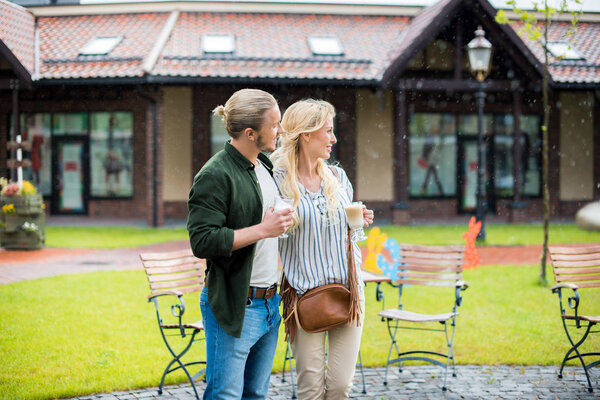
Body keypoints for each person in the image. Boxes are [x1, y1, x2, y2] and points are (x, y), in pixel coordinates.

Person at [187, 88, 294, 400]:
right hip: (237, 304)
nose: (281, 129)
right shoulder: (214, 174)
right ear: (250, 133)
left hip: (270, 303)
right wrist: (263, 229)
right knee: (225, 395)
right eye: (274, 124)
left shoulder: (265, 165)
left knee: (255, 395)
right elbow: (202, 240)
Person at [270, 99, 374, 399]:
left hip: (348, 293)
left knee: (340, 386)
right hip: (304, 297)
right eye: (328, 131)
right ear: (306, 134)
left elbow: (349, 236)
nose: (334, 138)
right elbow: (272, 233)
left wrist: (358, 222)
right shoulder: (278, 182)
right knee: (310, 388)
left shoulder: (338, 179)